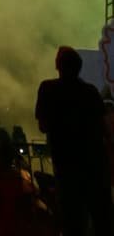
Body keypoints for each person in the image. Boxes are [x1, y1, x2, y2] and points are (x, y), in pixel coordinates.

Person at [35, 45, 113, 236]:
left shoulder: (48, 89)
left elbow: (43, 126)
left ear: (58, 66)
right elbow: (105, 130)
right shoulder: (90, 91)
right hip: (95, 167)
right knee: (102, 221)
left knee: (73, 223)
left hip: (67, 169)